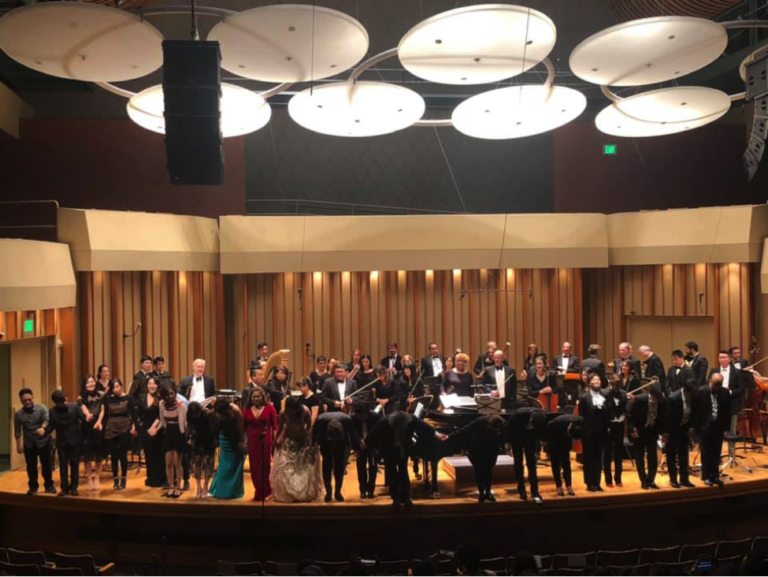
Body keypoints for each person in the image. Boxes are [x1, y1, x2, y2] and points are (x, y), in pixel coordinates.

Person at [365, 410, 446, 509]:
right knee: (392, 472)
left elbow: (424, 426)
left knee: (403, 470)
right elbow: (372, 435)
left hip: (403, 448)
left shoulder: (411, 419)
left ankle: (406, 497)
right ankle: (396, 498)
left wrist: (436, 434)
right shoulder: (384, 422)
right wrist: (368, 448)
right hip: (388, 448)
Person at [272, 397, 323, 502]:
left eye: (294, 410)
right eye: (290, 410)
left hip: (302, 440)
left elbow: (309, 428)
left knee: (302, 468)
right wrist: (276, 439)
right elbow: (280, 427)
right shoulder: (283, 414)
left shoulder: (305, 411)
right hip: (289, 439)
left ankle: (303, 492)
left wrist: (310, 443)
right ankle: (288, 492)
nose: (292, 412)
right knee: (285, 466)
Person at [449, 415, 505, 502]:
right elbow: (465, 430)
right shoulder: (481, 421)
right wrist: (449, 436)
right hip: (477, 449)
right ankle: (481, 493)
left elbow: (503, 436)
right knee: (479, 472)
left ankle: (488, 493)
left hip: (491, 450)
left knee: (489, 471)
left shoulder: (502, 424)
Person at [693, 373, 731, 486]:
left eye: (719, 386)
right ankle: (706, 475)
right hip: (705, 426)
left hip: (718, 426)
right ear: (710, 381)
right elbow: (696, 410)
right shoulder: (701, 391)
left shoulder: (725, 392)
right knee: (706, 451)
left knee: (716, 451)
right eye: (715, 385)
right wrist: (695, 427)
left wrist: (726, 428)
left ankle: (715, 475)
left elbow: (727, 411)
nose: (717, 388)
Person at [14, 388, 54, 495]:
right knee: (31, 467)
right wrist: (18, 445)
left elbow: (47, 419)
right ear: (21, 400)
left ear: (33, 398)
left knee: (46, 465)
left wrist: (43, 428)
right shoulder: (18, 414)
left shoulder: (41, 408)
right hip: (29, 443)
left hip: (43, 442)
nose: (27, 402)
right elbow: (17, 431)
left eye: (29, 399)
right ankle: (33, 487)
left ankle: (49, 486)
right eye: (24, 400)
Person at [627, 383, 666, 490]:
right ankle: (643, 480)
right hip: (640, 431)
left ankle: (651, 479)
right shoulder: (639, 400)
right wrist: (632, 429)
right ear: (650, 395)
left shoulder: (661, 401)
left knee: (653, 457)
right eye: (654, 398)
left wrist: (663, 432)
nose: (656, 401)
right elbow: (630, 415)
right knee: (639, 457)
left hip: (652, 431)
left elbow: (662, 417)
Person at [150, 386, 187, 499]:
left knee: (177, 462)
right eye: (167, 394)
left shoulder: (180, 405)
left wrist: (184, 438)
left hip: (179, 433)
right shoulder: (162, 404)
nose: (170, 396)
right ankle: (171, 486)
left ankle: (178, 487)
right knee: (168, 463)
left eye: (172, 393)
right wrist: (155, 429)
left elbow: (184, 425)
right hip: (168, 434)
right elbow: (163, 422)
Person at [47, 390, 84, 496]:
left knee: (74, 465)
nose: (65, 402)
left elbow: (83, 419)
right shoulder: (52, 411)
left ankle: (74, 488)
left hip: (75, 440)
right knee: (63, 466)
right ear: (57, 402)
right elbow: (51, 426)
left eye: (65, 399)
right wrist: (43, 432)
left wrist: (89, 418)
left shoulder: (75, 407)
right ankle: (64, 488)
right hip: (62, 442)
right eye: (62, 402)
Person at [312, 411, 355, 502]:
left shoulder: (347, 420)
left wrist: (356, 448)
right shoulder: (320, 420)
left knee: (339, 466)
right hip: (325, 442)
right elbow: (313, 434)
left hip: (341, 442)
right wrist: (312, 448)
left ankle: (338, 492)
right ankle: (328, 492)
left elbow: (352, 434)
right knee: (327, 465)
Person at [244, 386, 278, 501]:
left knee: (265, 465)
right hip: (252, 440)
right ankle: (258, 490)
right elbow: (243, 427)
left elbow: (275, 426)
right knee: (254, 467)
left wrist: (276, 441)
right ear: (251, 398)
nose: (256, 399)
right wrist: (243, 441)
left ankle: (266, 491)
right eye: (254, 397)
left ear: (262, 397)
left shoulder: (270, 408)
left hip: (265, 440)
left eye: (258, 396)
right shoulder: (247, 410)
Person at [103, 378, 136, 491]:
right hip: (111, 427)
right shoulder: (108, 399)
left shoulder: (128, 398)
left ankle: (124, 479)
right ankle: (115, 480)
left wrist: (134, 427)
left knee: (123, 454)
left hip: (124, 426)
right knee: (113, 455)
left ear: (121, 386)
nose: (116, 389)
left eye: (118, 386)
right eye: (114, 387)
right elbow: (105, 414)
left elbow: (133, 414)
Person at [209, 397, 246, 500]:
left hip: (236, 437)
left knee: (235, 463)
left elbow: (241, 425)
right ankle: (221, 490)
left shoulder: (235, 409)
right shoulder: (217, 411)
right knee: (224, 464)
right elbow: (216, 426)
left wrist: (242, 441)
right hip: (224, 437)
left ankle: (233, 491)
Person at [506, 407, 545, 502]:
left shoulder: (543, 416)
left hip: (530, 438)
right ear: (531, 418)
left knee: (532, 464)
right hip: (516, 437)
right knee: (518, 464)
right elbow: (509, 428)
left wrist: (539, 444)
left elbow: (541, 430)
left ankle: (535, 491)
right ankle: (521, 489)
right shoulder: (518, 414)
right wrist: (507, 442)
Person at [579, 373, 608, 492]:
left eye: (598, 379)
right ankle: (589, 483)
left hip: (601, 431)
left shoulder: (604, 395)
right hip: (588, 432)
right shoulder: (584, 397)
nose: (597, 381)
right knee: (588, 458)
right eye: (594, 380)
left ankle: (597, 482)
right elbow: (581, 416)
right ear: (589, 382)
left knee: (598, 458)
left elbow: (607, 413)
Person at [135, 376, 166, 488]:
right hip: (145, 428)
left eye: (154, 384)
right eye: (149, 383)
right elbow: (138, 412)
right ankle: (151, 478)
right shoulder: (142, 396)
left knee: (157, 454)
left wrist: (153, 427)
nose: (151, 386)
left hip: (157, 428)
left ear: (158, 385)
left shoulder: (161, 397)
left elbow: (160, 415)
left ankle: (160, 480)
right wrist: (138, 425)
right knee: (148, 454)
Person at [664, 381, 696, 488]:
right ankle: (673, 479)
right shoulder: (673, 398)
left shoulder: (693, 396)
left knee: (684, 455)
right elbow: (668, 417)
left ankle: (684, 479)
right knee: (671, 455)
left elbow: (694, 413)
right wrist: (666, 433)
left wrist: (692, 427)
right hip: (673, 429)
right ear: (684, 391)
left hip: (684, 428)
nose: (691, 396)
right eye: (689, 394)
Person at [78, 375, 105, 492]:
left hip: (99, 425)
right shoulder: (81, 397)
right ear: (84, 385)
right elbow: (84, 408)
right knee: (87, 455)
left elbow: (103, 410)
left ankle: (97, 477)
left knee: (99, 454)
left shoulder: (101, 394)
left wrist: (99, 422)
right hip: (87, 427)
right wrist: (88, 415)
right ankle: (89, 478)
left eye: (92, 381)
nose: (91, 384)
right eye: (88, 382)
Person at [544, 413, 582, 496]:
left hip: (565, 440)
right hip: (554, 439)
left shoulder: (580, 420)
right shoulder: (553, 424)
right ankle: (559, 486)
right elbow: (548, 433)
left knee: (566, 463)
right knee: (555, 463)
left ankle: (569, 485)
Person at [707, 350, 744, 435]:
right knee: (716, 429)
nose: (722, 359)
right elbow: (708, 384)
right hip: (716, 401)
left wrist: (729, 392)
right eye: (720, 357)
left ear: (729, 359)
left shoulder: (737, 372)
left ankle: (731, 442)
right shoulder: (714, 370)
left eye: (724, 357)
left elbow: (741, 389)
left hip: (731, 402)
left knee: (731, 430)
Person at [350, 401, 382, 499]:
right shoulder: (353, 418)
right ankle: (363, 490)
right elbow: (352, 433)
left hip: (373, 445)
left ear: (367, 412)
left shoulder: (375, 417)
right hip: (360, 446)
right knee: (361, 468)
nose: (361, 418)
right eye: (359, 415)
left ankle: (371, 490)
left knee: (373, 468)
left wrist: (377, 447)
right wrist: (356, 446)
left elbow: (379, 433)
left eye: (363, 415)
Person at [186, 401, 216, 500]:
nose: (195, 416)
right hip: (197, 439)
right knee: (197, 462)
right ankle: (198, 487)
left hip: (208, 439)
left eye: (197, 414)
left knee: (208, 463)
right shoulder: (189, 414)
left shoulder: (208, 414)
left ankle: (206, 486)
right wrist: (189, 438)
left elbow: (213, 429)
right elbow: (189, 427)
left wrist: (214, 442)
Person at [603, 374, 627, 488]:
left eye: (618, 387)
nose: (617, 389)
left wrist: (623, 415)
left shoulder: (623, 394)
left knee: (619, 453)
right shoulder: (605, 394)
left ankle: (618, 478)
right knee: (607, 453)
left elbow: (625, 407)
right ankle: (608, 479)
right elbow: (604, 410)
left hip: (619, 426)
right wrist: (610, 419)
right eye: (615, 387)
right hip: (608, 426)